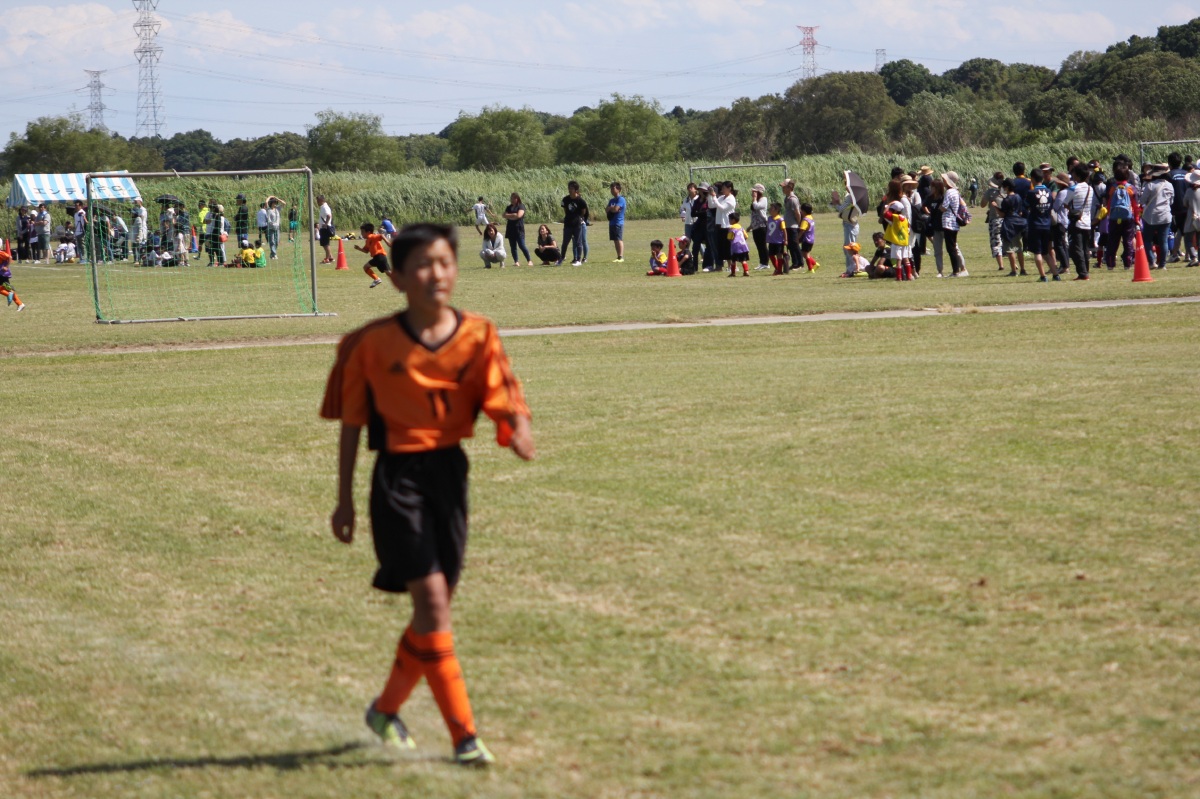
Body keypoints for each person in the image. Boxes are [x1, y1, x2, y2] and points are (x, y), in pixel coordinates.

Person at [320, 222, 534, 768]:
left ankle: (384, 710)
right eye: (421, 265)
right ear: (396, 279)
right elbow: (351, 423)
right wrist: (344, 500)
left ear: (455, 270)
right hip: (398, 479)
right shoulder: (369, 344)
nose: (434, 273)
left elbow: (502, 393)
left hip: (450, 474)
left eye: (443, 262)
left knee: (433, 611)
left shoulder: (479, 334)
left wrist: (516, 427)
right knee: (434, 605)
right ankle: (466, 738)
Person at [1097, 158, 1140, 271]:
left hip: (1114, 218)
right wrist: (1137, 219)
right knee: (1128, 241)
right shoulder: (1131, 188)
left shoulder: (1112, 188)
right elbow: (1136, 205)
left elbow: (1108, 203)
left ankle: (1110, 264)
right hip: (1128, 218)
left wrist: (1109, 215)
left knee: (1112, 241)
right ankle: (1127, 263)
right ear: (1127, 176)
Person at [1024, 168, 1058, 281]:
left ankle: (1043, 276)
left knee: (1037, 252)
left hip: (1035, 224)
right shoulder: (1048, 191)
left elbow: (1025, 206)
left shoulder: (1031, 193)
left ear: (1032, 179)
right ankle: (1055, 274)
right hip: (1047, 224)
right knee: (1046, 253)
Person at [1140, 164, 1174, 269]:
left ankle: (1152, 261)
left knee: (1147, 240)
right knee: (1163, 241)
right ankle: (1162, 264)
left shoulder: (1150, 185)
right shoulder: (1169, 185)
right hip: (1165, 215)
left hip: (1151, 216)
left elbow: (1142, 201)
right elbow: (1171, 201)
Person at [1066, 165, 1094, 280]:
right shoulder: (1090, 189)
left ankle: (1082, 273)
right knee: (1085, 248)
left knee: (1075, 249)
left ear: (1077, 175)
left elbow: (1065, 203)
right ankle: (1086, 271)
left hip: (1076, 221)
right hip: (1087, 222)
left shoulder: (1073, 188)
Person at [939, 171, 968, 277]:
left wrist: (939, 207)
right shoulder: (956, 192)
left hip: (948, 222)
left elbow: (944, 207)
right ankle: (957, 270)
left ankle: (955, 271)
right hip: (954, 223)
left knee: (951, 248)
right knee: (953, 247)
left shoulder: (949, 192)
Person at [830, 186, 861, 277]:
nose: (846, 186)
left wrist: (836, 203)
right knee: (847, 248)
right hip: (848, 224)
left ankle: (851, 270)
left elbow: (841, 209)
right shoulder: (849, 196)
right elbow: (844, 209)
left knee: (850, 249)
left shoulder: (853, 197)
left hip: (850, 225)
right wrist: (837, 202)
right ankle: (850, 269)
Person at [709, 182, 736, 273]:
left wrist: (714, 197)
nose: (722, 190)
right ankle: (727, 266)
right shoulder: (721, 197)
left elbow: (722, 208)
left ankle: (732, 266)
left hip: (727, 225)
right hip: (720, 224)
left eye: (724, 188)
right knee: (722, 246)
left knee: (728, 246)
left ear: (729, 188)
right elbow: (711, 205)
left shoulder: (731, 199)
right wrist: (710, 195)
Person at [883, 200, 914, 280]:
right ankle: (909, 275)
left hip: (897, 242)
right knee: (906, 259)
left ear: (895, 211)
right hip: (905, 242)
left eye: (891, 210)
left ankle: (899, 277)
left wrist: (889, 204)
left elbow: (885, 213)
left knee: (898, 260)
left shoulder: (894, 217)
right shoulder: (905, 218)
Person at [558, 181, 587, 266]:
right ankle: (561, 258)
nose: (570, 190)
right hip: (568, 224)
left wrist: (579, 219)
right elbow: (565, 210)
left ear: (576, 190)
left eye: (572, 188)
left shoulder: (581, 201)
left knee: (578, 242)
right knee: (565, 242)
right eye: (569, 188)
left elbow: (583, 212)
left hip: (577, 224)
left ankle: (578, 260)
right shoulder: (565, 199)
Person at [502, 193, 532, 267]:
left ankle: (529, 260)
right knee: (513, 247)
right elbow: (504, 215)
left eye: (514, 198)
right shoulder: (509, 207)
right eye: (511, 198)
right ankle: (516, 261)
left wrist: (510, 216)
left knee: (522, 245)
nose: (512, 200)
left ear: (517, 198)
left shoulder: (521, 206)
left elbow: (519, 215)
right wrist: (513, 215)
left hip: (519, 228)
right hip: (510, 229)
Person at [355, 222, 389, 287]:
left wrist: (388, 243)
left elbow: (381, 235)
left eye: (362, 232)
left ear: (368, 232)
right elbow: (366, 251)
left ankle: (377, 279)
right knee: (388, 273)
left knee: (366, 267)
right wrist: (358, 248)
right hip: (376, 258)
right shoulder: (367, 240)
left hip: (380, 256)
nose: (361, 233)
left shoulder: (372, 236)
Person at [780, 179, 803, 275]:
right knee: (790, 245)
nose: (782, 189)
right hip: (788, 225)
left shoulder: (793, 199)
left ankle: (800, 263)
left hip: (793, 225)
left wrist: (798, 224)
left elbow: (797, 213)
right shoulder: (787, 198)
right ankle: (794, 263)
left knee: (795, 245)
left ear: (790, 187)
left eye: (784, 187)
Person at [748, 183, 769, 270]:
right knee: (758, 245)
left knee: (762, 245)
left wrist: (754, 198)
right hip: (755, 226)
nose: (753, 193)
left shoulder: (763, 199)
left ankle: (765, 263)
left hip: (762, 225)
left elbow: (756, 207)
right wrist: (750, 226)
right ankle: (762, 262)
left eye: (754, 191)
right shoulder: (755, 200)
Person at [691, 183, 711, 271]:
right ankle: (694, 267)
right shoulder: (697, 200)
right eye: (700, 189)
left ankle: (706, 265)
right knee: (695, 247)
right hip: (699, 226)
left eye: (703, 190)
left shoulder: (709, 200)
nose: (701, 191)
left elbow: (707, 213)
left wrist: (699, 213)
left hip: (707, 226)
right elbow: (692, 213)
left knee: (708, 247)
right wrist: (701, 213)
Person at [605, 182, 627, 262]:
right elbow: (606, 210)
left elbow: (615, 209)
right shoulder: (611, 200)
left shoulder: (621, 199)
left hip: (618, 222)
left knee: (618, 239)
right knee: (615, 240)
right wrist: (612, 208)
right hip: (612, 222)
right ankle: (618, 256)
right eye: (611, 189)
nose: (611, 190)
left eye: (613, 188)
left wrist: (612, 208)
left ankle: (621, 257)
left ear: (618, 189)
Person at [765, 201, 788, 275]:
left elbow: (784, 230)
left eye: (772, 209)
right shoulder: (769, 218)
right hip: (771, 241)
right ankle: (777, 268)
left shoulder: (780, 220)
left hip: (779, 241)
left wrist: (785, 240)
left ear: (777, 210)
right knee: (771, 255)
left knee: (779, 255)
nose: (770, 210)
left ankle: (779, 270)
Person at [726, 211, 750, 277]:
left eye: (729, 219)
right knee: (743, 260)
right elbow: (746, 236)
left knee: (733, 260)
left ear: (733, 220)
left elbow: (729, 238)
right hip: (743, 245)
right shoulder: (741, 227)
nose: (729, 221)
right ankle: (746, 271)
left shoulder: (731, 228)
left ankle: (733, 273)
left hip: (735, 246)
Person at [798, 203, 817, 272]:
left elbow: (802, 230)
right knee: (805, 253)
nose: (800, 212)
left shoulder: (805, 220)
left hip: (806, 239)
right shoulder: (810, 217)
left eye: (801, 210)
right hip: (811, 239)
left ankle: (812, 267)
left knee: (805, 254)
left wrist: (798, 238)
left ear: (804, 211)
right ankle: (813, 265)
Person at [130, 197, 148, 264]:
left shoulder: (143, 210)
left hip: (141, 229)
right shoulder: (137, 211)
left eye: (136, 201)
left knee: (140, 245)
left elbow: (141, 218)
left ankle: (140, 259)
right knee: (134, 245)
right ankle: (136, 259)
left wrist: (136, 216)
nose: (135, 203)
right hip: (136, 230)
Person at [317, 195, 334, 263]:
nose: (317, 202)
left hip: (325, 228)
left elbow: (329, 216)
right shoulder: (323, 207)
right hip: (323, 228)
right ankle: (330, 257)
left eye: (318, 201)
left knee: (325, 244)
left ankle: (327, 259)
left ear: (321, 200)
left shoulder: (325, 207)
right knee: (324, 243)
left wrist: (326, 224)